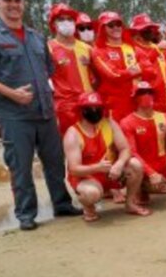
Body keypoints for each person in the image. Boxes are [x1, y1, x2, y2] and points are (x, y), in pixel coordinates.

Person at [0, 0, 81, 230]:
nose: (13, 5)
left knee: (54, 161)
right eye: (7, 0)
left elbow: (48, 69)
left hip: (45, 111)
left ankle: (61, 204)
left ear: (23, 4)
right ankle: (26, 214)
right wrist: (11, 93)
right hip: (14, 115)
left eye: (17, 0)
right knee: (21, 166)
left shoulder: (36, 37)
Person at [63, 91, 147, 221]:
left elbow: (125, 149)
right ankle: (88, 207)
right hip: (87, 177)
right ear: (82, 111)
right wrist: (97, 168)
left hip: (111, 172)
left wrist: (119, 164)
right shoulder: (73, 133)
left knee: (135, 165)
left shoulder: (110, 124)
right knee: (91, 194)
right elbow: (74, 169)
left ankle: (130, 203)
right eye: (90, 108)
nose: (94, 110)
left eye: (98, 108)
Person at [46, 3, 95, 134]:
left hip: (90, 106)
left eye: (70, 19)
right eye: (61, 19)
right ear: (53, 24)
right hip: (65, 109)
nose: (66, 22)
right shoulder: (48, 49)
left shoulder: (88, 49)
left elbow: (98, 78)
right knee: (70, 149)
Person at [91, 11, 144, 122]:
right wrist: (134, 71)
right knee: (116, 138)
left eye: (118, 24)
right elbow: (113, 75)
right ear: (103, 28)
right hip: (113, 105)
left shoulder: (131, 47)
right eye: (111, 25)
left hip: (135, 102)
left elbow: (149, 68)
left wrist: (129, 72)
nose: (115, 28)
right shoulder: (98, 51)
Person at [130, 14, 166, 117]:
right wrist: (157, 50)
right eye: (145, 29)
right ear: (137, 32)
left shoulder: (159, 49)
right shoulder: (132, 50)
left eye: (150, 29)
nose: (149, 32)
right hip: (147, 103)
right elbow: (142, 68)